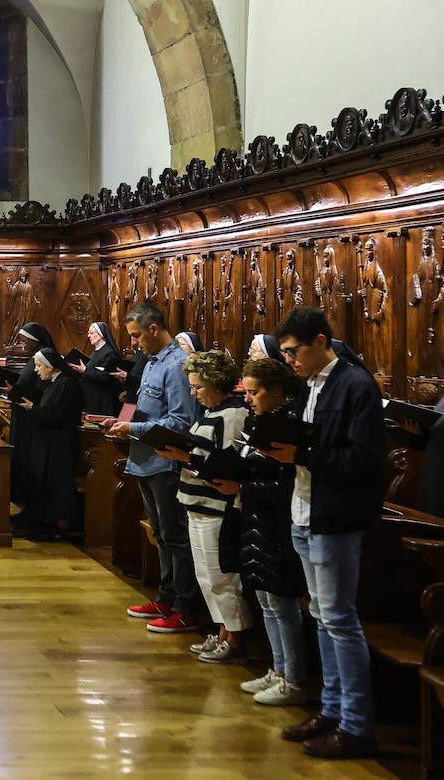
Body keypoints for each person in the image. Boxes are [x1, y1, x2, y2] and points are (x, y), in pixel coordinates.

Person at [269, 307, 385, 759]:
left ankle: (357, 725)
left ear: (321, 341)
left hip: (336, 516)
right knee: (321, 616)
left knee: (339, 619)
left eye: (294, 352)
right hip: (304, 511)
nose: (290, 362)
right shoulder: (310, 384)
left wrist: (301, 454)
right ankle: (331, 710)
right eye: (285, 355)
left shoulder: (355, 384)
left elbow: (364, 461)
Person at [105, 302, 201, 633]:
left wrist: (132, 429)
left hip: (165, 462)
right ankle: (165, 597)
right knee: (160, 534)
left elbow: (180, 421)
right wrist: (121, 421)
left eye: (136, 336)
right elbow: (146, 408)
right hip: (144, 459)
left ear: (153, 329)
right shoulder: (151, 362)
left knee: (175, 536)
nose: (133, 342)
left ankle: (183, 608)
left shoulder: (177, 365)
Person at [155, 351, 250, 663]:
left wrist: (185, 457)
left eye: (197, 387)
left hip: (217, 506)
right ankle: (221, 631)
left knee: (221, 576)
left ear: (215, 383)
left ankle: (234, 639)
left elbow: (227, 464)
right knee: (205, 575)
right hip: (196, 503)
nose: (193, 393)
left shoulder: (234, 414)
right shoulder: (211, 413)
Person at [235, 358, 311, 706]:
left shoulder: (288, 425)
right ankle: (277, 669)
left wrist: (242, 488)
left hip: (278, 521)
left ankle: (293, 678)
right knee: (266, 600)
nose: (248, 399)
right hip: (257, 519)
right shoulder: (261, 420)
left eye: (254, 392)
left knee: (281, 603)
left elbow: (284, 483)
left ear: (276, 391)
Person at [14, 347, 82, 539]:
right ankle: (44, 521)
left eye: (39, 366)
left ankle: (59, 525)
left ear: (51, 367)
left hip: (59, 444)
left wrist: (32, 408)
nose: (36, 370)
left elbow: (55, 415)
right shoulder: (55, 382)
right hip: (49, 441)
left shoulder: (66, 383)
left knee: (57, 485)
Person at [8, 323, 54, 504]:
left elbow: (41, 390)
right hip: (23, 413)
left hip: (30, 417)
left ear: (36, 341)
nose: (23, 344)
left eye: (26, 341)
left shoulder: (45, 358)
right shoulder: (35, 358)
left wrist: (16, 391)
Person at [72, 321, 124, 415]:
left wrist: (85, 370)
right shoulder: (96, 352)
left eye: (91, 333)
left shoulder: (108, 352)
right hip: (92, 398)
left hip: (102, 400)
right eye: (88, 333)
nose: (88, 336)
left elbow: (105, 376)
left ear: (101, 335)